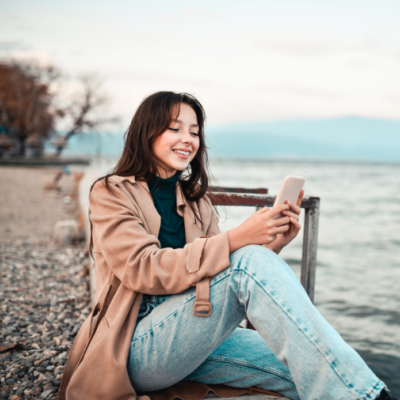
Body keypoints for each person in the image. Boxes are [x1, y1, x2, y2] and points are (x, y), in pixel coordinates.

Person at [63, 91, 396, 400]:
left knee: (312, 368)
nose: (187, 139)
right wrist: (241, 239)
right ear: (147, 133)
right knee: (249, 262)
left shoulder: (196, 202)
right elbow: (144, 269)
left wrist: (274, 245)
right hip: (131, 347)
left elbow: (221, 273)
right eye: (175, 128)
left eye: (194, 132)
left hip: (191, 332)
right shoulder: (111, 192)